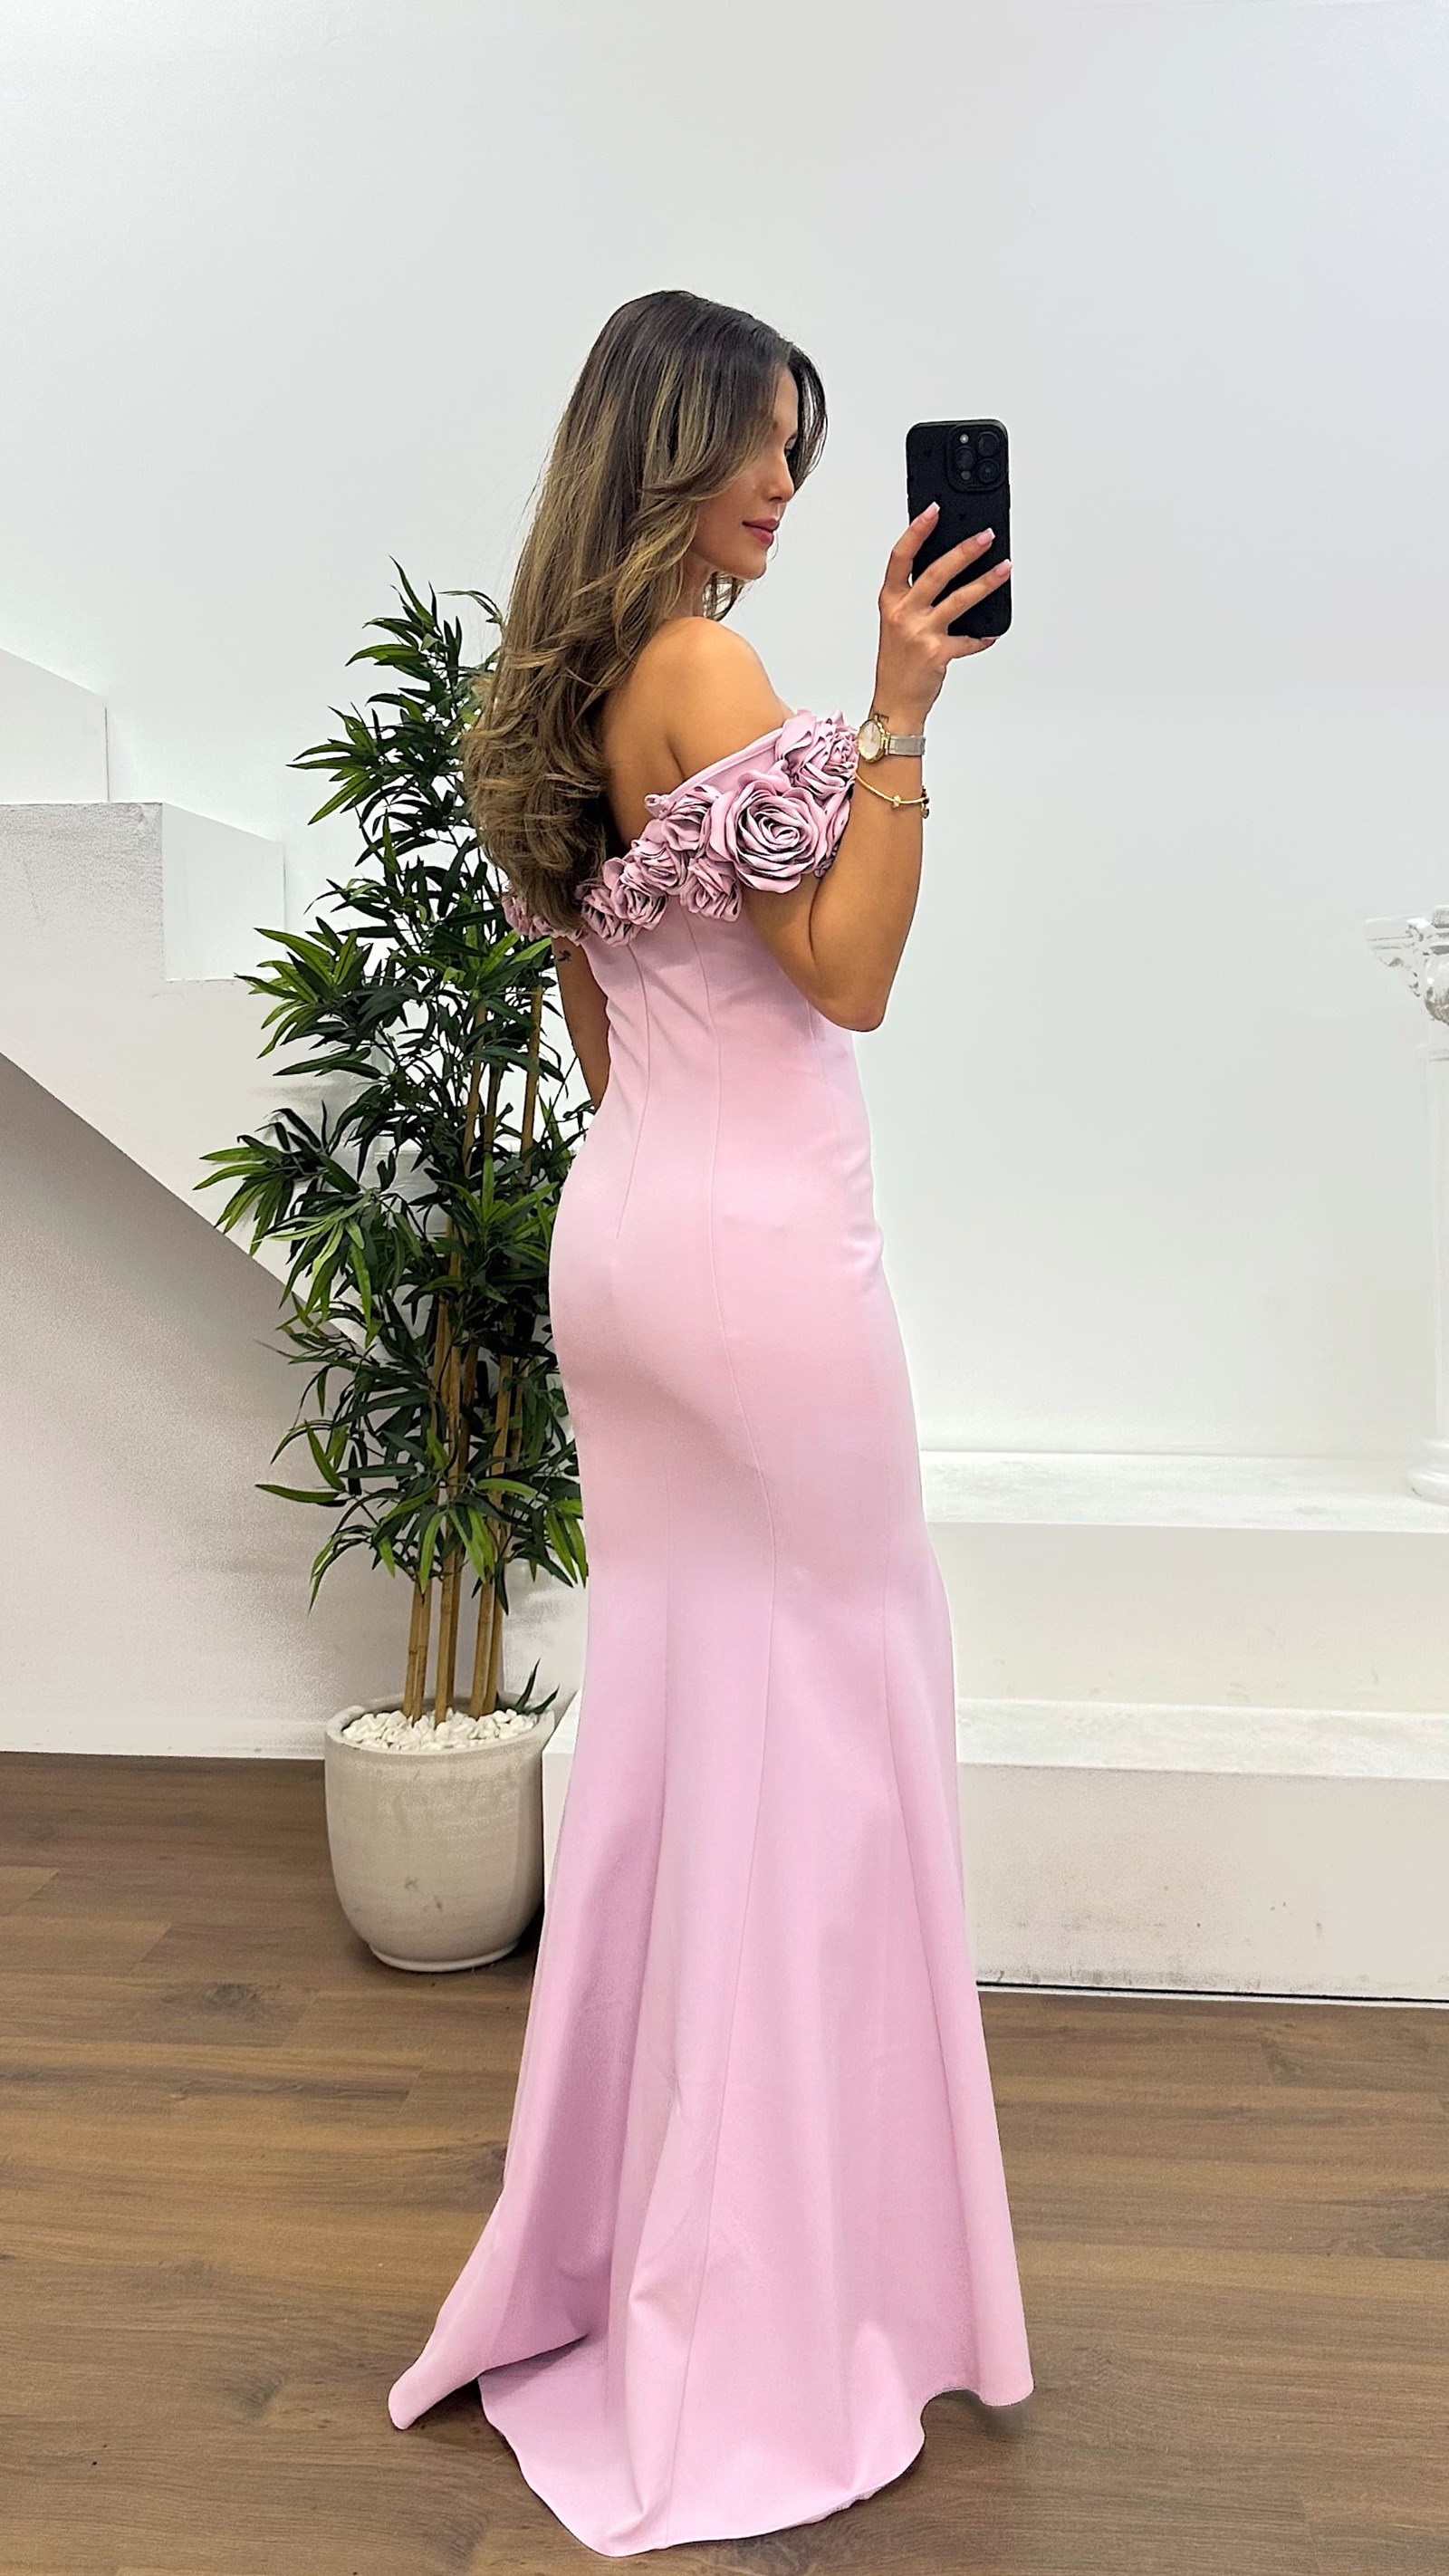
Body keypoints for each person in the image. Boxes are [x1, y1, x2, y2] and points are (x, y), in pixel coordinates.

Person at [386, 287, 1030, 2557]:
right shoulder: (707, 675)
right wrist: (903, 716)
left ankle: (654, 2251)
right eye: (755, 446)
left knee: (685, 1755)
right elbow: (844, 978)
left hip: (632, 1248)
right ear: (663, 450)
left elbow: (607, 1036)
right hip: (761, 1272)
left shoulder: (549, 698)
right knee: (827, 1744)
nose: (782, 488)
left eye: (796, 451)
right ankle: (770, 2308)